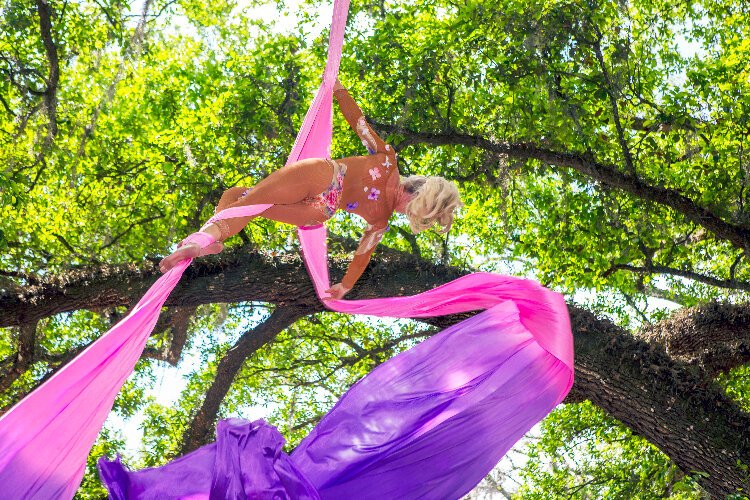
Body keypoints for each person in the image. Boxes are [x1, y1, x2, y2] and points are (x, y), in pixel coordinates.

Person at [159, 80, 462, 299]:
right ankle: (211, 237)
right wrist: (344, 286)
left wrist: (339, 87)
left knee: (249, 201)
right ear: (413, 195)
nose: (401, 212)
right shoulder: (381, 212)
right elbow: (362, 256)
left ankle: (205, 239)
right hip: (319, 208)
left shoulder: (387, 162)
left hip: (320, 178)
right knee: (239, 197)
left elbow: (359, 123)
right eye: (408, 210)